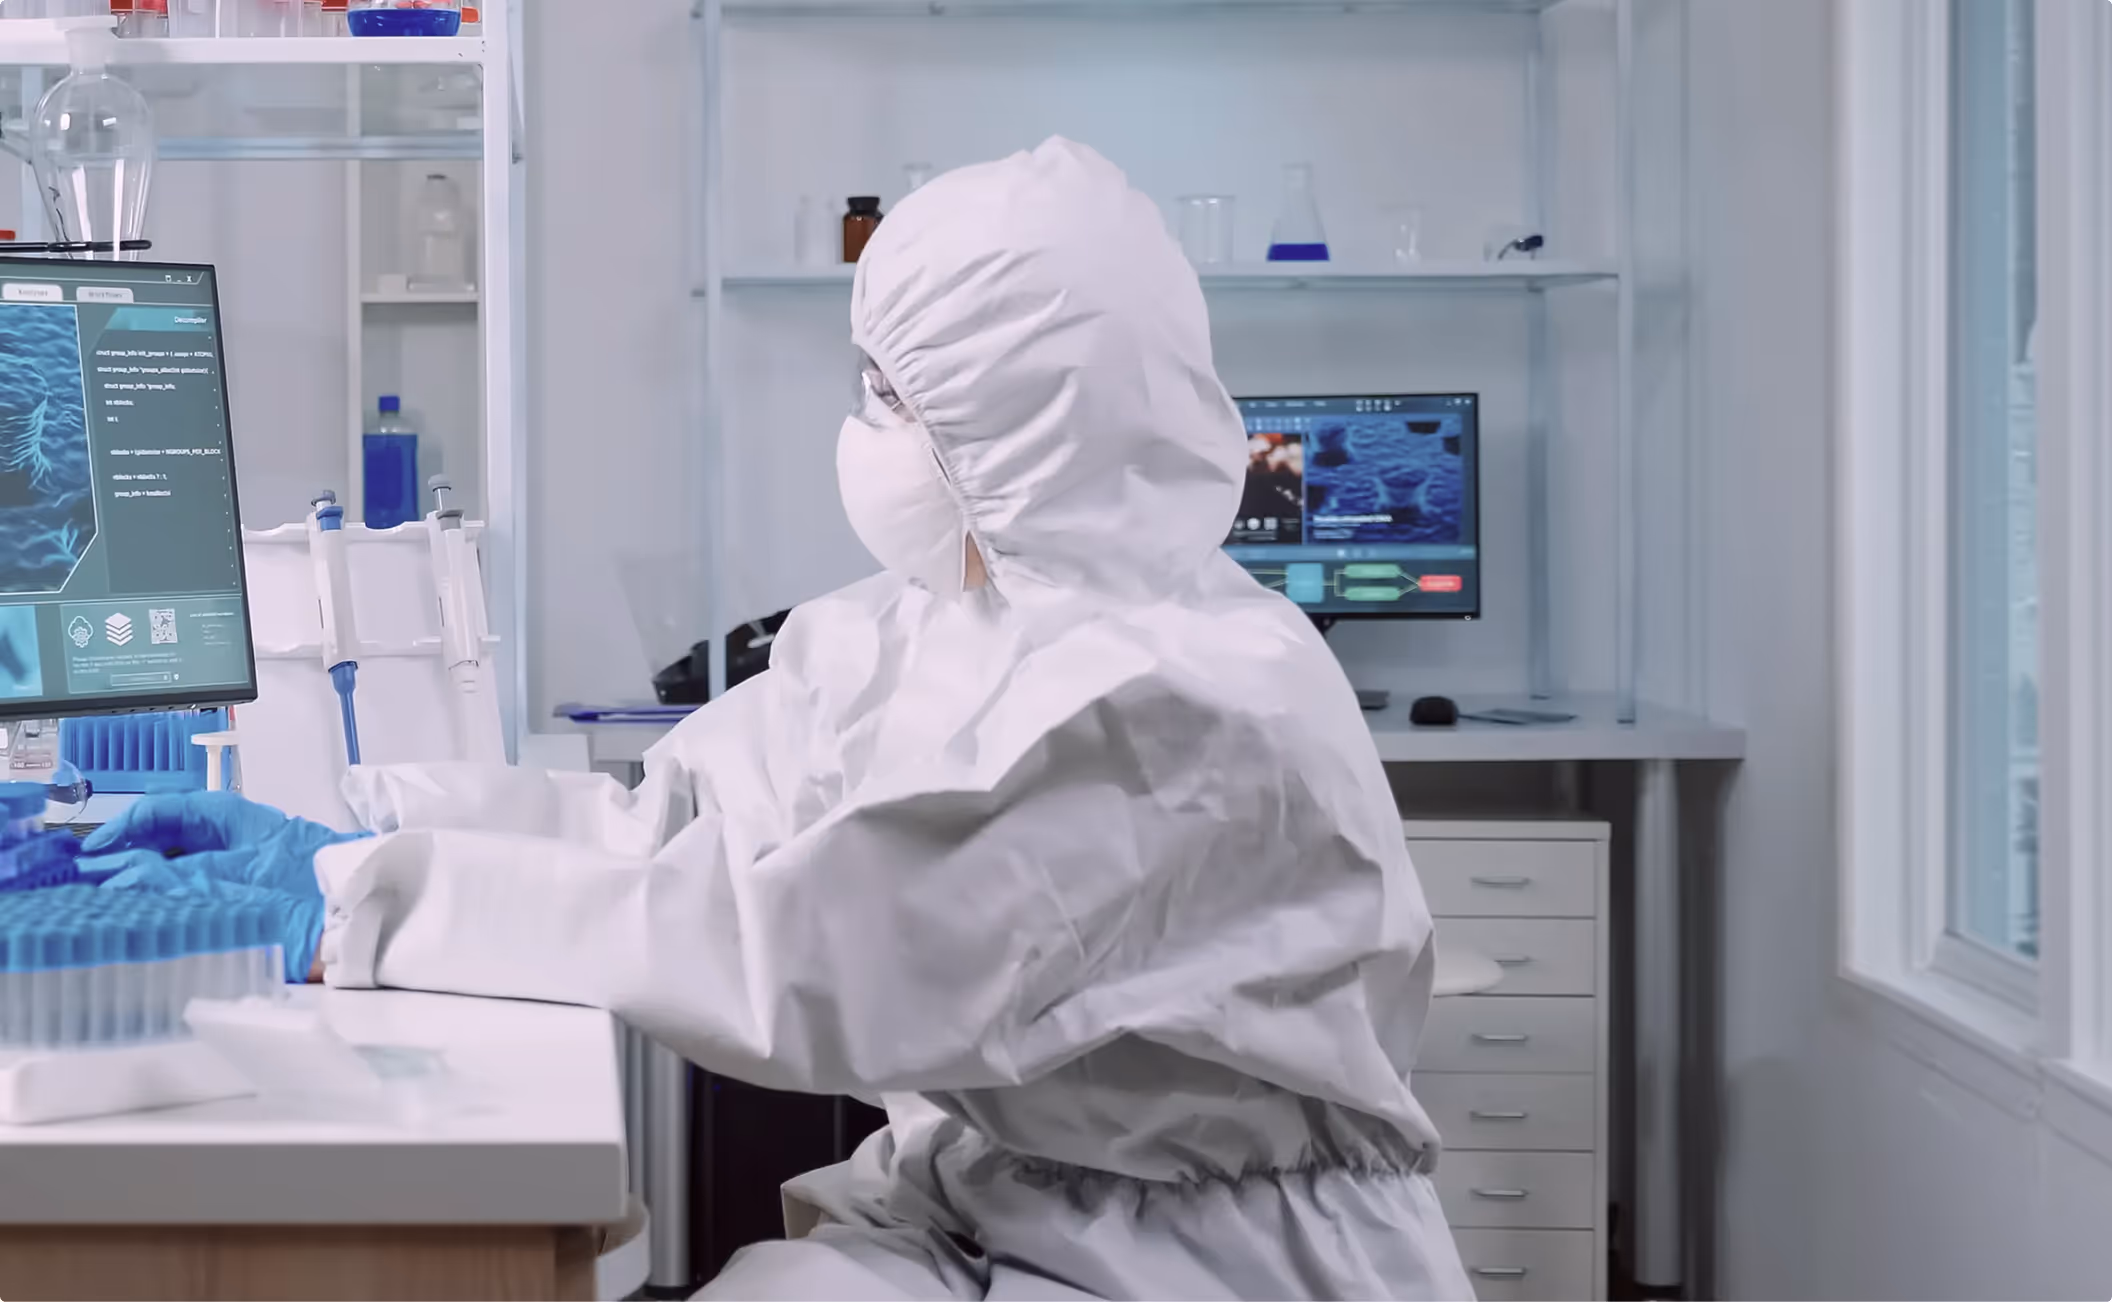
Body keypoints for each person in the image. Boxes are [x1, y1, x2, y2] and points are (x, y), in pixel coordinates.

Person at [86, 138, 1470, 1300]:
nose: (861, 432)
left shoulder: (1179, 707)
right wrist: (361, 821)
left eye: (892, 398)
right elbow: (679, 821)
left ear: (1028, 425)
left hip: (1205, 1255)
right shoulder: (936, 616)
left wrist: (352, 903)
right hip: (1001, 1205)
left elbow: (799, 949)